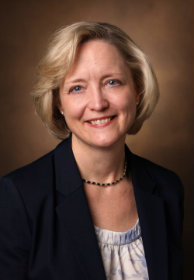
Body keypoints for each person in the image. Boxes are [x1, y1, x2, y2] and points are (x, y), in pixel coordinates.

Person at [0, 22, 184, 280]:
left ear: (137, 91)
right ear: (58, 103)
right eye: (77, 87)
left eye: (112, 82)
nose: (98, 103)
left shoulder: (168, 188)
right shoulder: (18, 197)